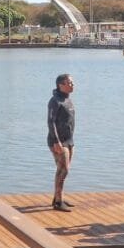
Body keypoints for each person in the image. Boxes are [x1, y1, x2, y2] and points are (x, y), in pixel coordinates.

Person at [47, 74, 76, 212]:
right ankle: (58, 203)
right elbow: (50, 122)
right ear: (60, 85)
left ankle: (58, 197)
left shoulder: (67, 99)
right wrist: (56, 141)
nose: (72, 85)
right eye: (69, 83)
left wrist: (70, 141)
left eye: (72, 82)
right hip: (58, 141)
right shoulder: (55, 101)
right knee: (63, 170)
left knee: (64, 170)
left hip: (69, 140)